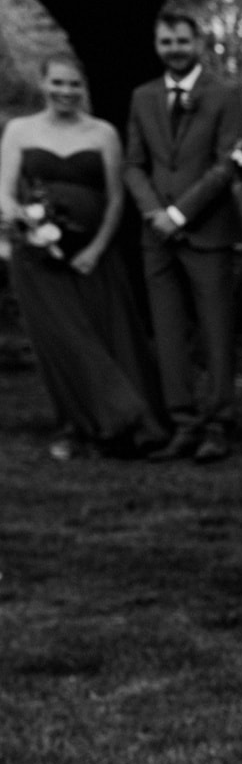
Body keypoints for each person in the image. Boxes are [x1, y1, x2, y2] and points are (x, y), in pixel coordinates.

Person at [0, 55, 166, 460]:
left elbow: (115, 199)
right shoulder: (20, 130)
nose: (66, 92)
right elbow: (3, 191)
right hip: (37, 259)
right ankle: (85, 423)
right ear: (43, 84)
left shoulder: (104, 133)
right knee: (61, 342)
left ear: (83, 88)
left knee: (105, 337)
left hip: (92, 257)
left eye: (74, 85)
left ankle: (115, 424)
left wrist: (96, 249)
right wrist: (26, 225)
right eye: (58, 83)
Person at [123, 11, 242, 463]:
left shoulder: (225, 94)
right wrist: (155, 212)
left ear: (198, 42)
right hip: (156, 234)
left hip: (206, 230)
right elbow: (133, 162)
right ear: (157, 45)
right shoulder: (143, 96)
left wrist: (180, 212)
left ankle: (218, 423)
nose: (174, 49)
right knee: (169, 332)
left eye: (181, 41)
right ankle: (184, 423)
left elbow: (226, 163)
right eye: (166, 41)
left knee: (215, 331)